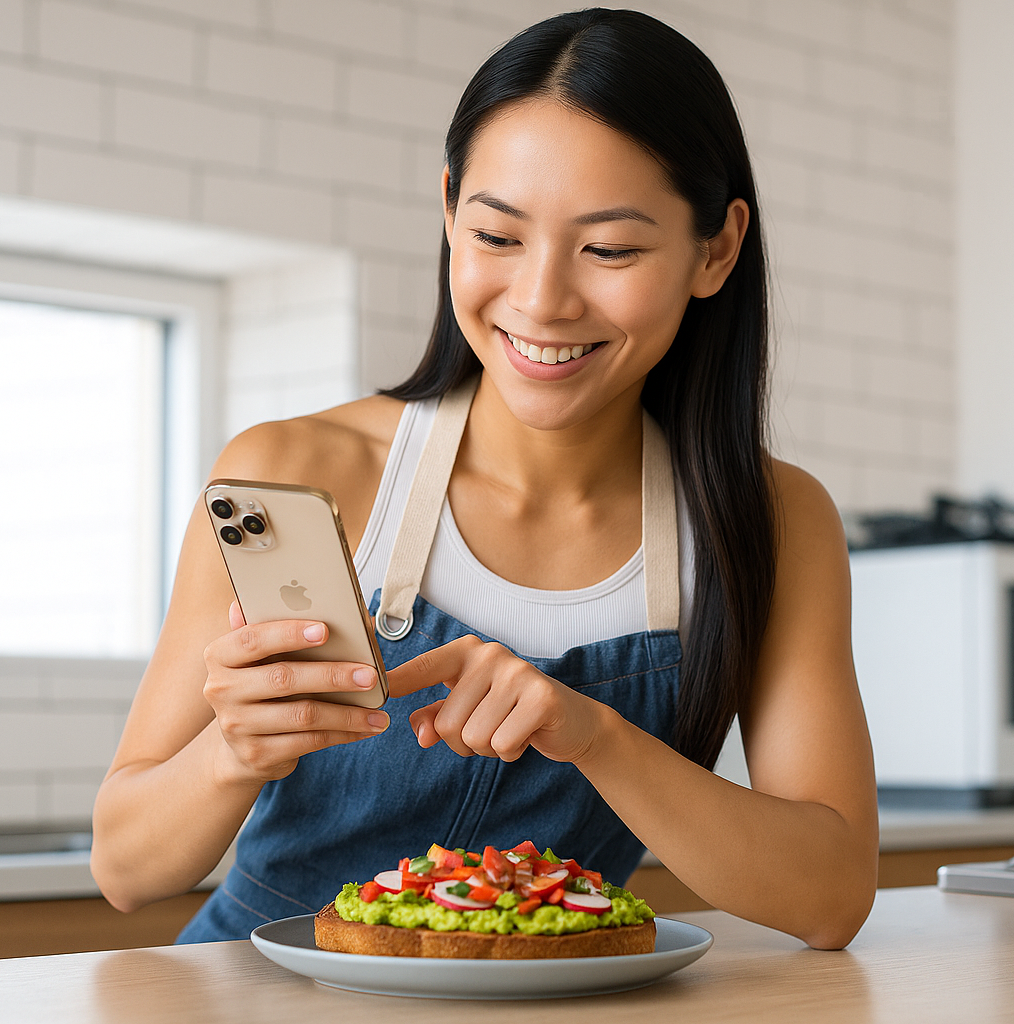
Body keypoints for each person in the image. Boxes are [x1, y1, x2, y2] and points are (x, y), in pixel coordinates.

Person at [91, 8, 877, 950]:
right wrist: (233, 748)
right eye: (497, 236)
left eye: (610, 249)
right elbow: (127, 869)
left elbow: (831, 898)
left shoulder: (772, 520)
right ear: (449, 214)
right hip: (258, 996)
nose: (542, 299)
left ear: (715, 250)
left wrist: (596, 736)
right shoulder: (297, 473)